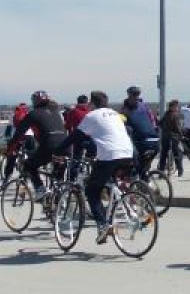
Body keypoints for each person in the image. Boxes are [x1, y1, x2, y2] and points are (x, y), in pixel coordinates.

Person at [56, 91, 134, 244]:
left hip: (109, 155)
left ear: (92, 103)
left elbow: (76, 136)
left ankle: (102, 225)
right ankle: (122, 208)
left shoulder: (92, 116)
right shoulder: (115, 114)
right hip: (128, 153)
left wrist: (58, 150)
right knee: (108, 182)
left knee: (92, 191)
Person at [6, 91, 66, 199]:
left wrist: (9, 150)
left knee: (29, 165)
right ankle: (59, 199)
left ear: (34, 102)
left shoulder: (33, 114)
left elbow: (18, 134)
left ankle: (40, 189)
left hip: (49, 147)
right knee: (58, 176)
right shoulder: (56, 113)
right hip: (66, 146)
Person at [121, 87, 160, 169]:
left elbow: (122, 125)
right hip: (153, 139)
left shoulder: (125, 110)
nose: (136, 97)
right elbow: (153, 120)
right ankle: (144, 171)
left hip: (141, 140)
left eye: (136, 95)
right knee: (142, 162)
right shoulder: (145, 106)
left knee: (136, 160)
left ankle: (140, 171)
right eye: (134, 95)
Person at [159, 100, 185, 177]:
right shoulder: (175, 115)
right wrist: (181, 135)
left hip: (165, 137)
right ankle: (180, 170)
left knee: (163, 155)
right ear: (171, 107)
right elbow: (178, 127)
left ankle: (161, 172)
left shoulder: (166, 114)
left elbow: (160, 123)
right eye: (176, 106)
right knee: (176, 153)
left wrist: (165, 129)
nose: (177, 108)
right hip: (173, 137)